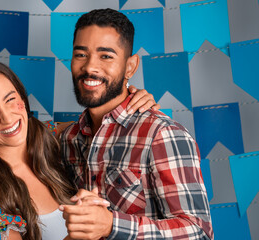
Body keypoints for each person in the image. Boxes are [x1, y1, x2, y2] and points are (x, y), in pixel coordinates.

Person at [0, 59, 158, 239]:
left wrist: (131, 100)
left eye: (10, 100)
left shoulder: (50, 136)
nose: (7, 117)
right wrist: (80, 234)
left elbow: (99, 124)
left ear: (22, 98)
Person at [59, 8, 213, 240]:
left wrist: (112, 225)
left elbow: (199, 233)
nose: (90, 67)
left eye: (106, 56)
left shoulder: (162, 133)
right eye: (81, 54)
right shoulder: (67, 139)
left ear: (130, 67)